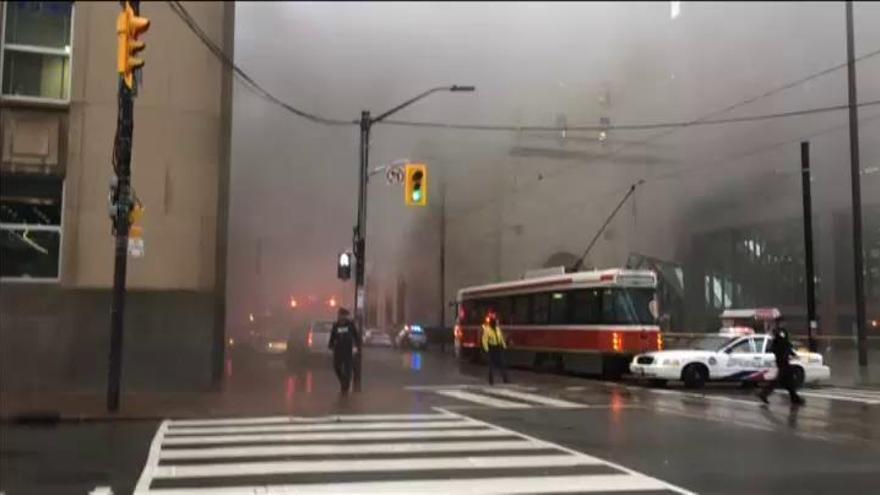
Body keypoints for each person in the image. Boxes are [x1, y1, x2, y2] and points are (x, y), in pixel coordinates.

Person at [758, 324, 804, 406]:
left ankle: (795, 398)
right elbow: (785, 347)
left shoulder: (779, 339)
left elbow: (785, 347)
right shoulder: (780, 338)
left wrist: (792, 354)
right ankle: (764, 394)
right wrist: (791, 354)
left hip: (782, 362)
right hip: (783, 363)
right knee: (780, 380)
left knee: (789, 381)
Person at [328, 307, 361, 394]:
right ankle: (343, 380)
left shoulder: (350, 324)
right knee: (336, 367)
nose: (340, 317)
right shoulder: (336, 325)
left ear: (345, 316)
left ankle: (346, 385)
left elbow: (356, 336)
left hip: (348, 349)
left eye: (342, 315)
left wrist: (357, 346)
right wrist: (331, 344)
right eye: (339, 315)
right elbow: (333, 335)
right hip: (338, 349)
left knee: (348, 368)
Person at [481, 313, 509, 385]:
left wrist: (504, 345)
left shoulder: (497, 329)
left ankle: (505, 379)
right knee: (491, 365)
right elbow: (484, 340)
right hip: (492, 348)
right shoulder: (487, 330)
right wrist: (486, 349)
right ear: (492, 322)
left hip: (498, 347)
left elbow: (501, 338)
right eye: (495, 321)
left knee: (502, 364)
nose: (497, 322)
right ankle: (491, 380)